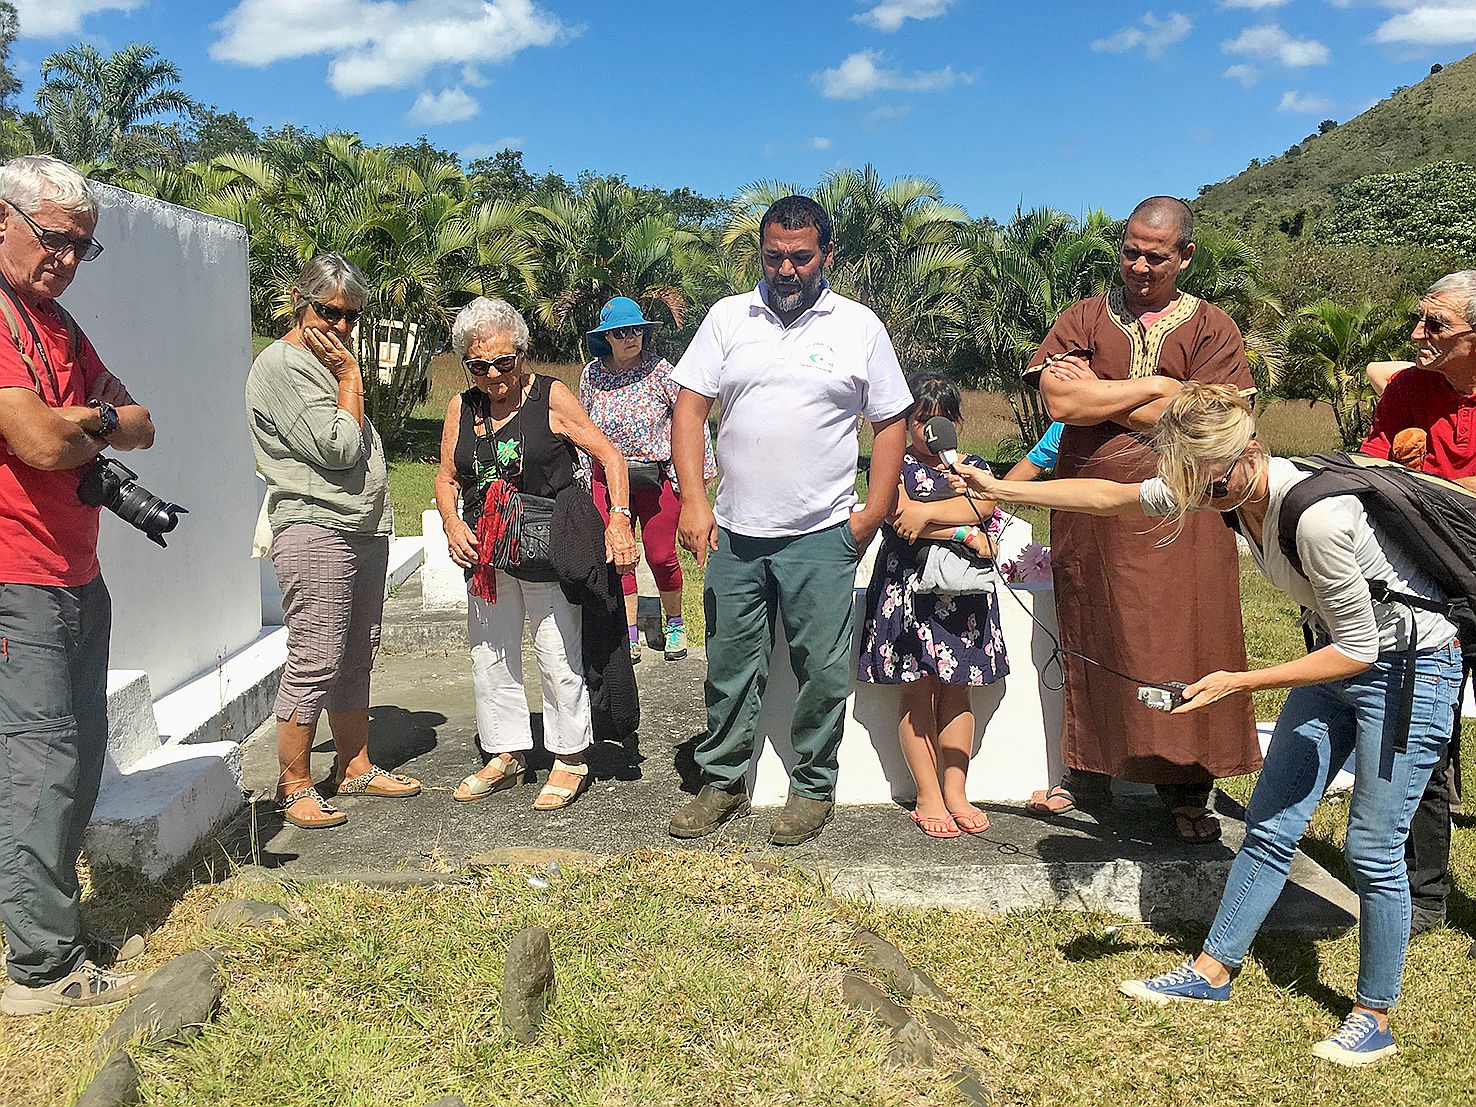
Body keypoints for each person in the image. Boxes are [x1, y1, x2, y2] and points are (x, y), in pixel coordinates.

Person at [951, 383, 1461, 1066]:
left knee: (1373, 847)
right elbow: (1109, 497)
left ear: (1249, 450)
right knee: (1271, 823)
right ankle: (1213, 971)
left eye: (1212, 479)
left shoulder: (1317, 519)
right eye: (1191, 480)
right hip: (1335, 659)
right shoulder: (1218, 484)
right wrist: (1002, 489)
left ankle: (1374, 1015)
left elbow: (1362, 648)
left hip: (1408, 670)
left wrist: (1238, 683)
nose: (1201, 493)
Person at [667, 194, 913, 846]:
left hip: (820, 531)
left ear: (826, 255)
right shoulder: (727, 318)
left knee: (822, 671)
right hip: (736, 533)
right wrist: (694, 500)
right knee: (728, 663)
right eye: (774, 255)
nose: (786, 268)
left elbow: (891, 420)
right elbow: (689, 410)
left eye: (800, 257)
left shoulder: (857, 325)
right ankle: (720, 780)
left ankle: (812, 788)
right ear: (762, 253)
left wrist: (876, 510)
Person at [1026, 195, 1260, 842]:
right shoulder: (1082, 316)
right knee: (1094, 631)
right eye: (1130, 250)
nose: (1138, 264)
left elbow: (1207, 423)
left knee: (1184, 641)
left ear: (1185, 255)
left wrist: (1104, 397)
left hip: (1182, 511)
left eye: (1155, 255)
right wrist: (1159, 390)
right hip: (1093, 507)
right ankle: (1088, 772)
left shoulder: (1213, 328)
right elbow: (1059, 400)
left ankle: (1187, 787)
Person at [0, 156, 156, 1015]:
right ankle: (40, 970)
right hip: (16, 573)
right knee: (40, 763)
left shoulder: (55, 323)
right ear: (2, 217)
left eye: (81, 248)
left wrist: (86, 419)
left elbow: (142, 421)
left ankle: (51, 929)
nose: (65, 258)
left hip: (77, 569)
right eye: (55, 238)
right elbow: (41, 445)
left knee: (75, 755)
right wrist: (90, 423)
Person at [435, 297, 638, 811]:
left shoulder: (550, 395)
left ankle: (569, 755)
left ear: (522, 354)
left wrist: (618, 519)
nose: (493, 376)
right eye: (478, 365)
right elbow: (446, 475)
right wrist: (452, 520)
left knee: (556, 649)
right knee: (490, 652)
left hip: (549, 542)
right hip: (486, 548)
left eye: (504, 362)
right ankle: (504, 752)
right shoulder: (464, 406)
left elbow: (609, 455)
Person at [247, 253, 419, 832]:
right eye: (330, 312)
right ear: (302, 301)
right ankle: (292, 784)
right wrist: (351, 381)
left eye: (352, 315)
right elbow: (339, 448)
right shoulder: (283, 365)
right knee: (315, 658)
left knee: (355, 654)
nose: (342, 326)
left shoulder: (328, 359)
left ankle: (355, 765)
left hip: (361, 527)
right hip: (316, 525)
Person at [1359, 270, 1476, 949]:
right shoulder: (1406, 389)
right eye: (1418, 319)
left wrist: (1427, 481)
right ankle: (1423, 894)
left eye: (1435, 325)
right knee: (1425, 742)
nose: (1416, 334)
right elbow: (1375, 482)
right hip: (1432, 591)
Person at [857, 372, 1007, 838]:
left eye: (939, 420)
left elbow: (989, 506)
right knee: (917, 688)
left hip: (962, 593)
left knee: (959, 689)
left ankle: (957, 792)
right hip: (908, 592)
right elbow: (899, 518)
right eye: (920, 420)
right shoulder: (891, 464)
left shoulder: (970, 466)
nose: (928, 430)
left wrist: (934, 514)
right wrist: (961, 529)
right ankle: (928, 795)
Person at [579, 296, 714, 664]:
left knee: (661, 555)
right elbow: (583, 428)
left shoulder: (661, 372)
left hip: (656, 479)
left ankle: (674, 623)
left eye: (637, 329)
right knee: (618, 556)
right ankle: (630, 631)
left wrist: (695, 486)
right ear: (607, 337)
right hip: (607, 481)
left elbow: (692, 422)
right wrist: (582, 475)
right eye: (621, 332)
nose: (630, 338)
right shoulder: (591, 375)